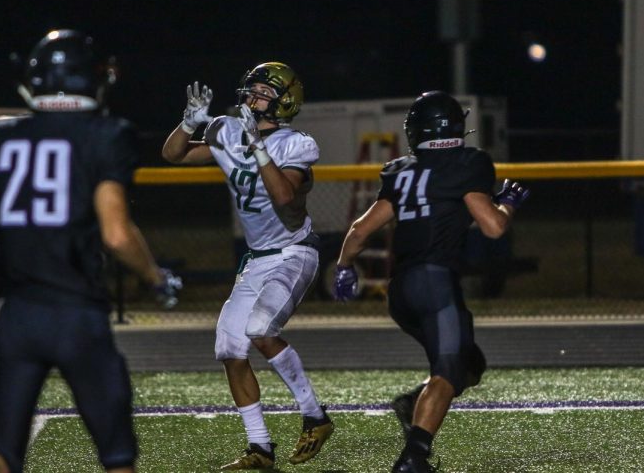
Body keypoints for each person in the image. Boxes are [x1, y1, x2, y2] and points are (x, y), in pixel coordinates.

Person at [0, 29, 180, 473]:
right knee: (118, 458)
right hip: (77, 315)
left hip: (18, 317)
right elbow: (116, 234)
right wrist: (157, 278)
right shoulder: (106, 135)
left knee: (3, 457)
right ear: (93, 79)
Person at [333, 90, 529, 473]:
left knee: (469, 363)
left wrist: (344, 268)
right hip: (436, 283)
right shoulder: (468, 163)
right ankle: (413, 458)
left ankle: (414, 403)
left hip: (401, 290)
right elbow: (493, 227)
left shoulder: (401, 171)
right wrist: (508, 203)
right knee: (450, 372)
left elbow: (359, 230)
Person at [161, 63, 334, 470]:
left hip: (294, 251)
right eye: (250, 90)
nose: (250, 98)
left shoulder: (296, 143)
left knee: (259, 329)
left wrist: (258, 147)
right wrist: (188, 123)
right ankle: (260, 447)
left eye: (261, 92)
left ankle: (315, 415)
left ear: (284, 102)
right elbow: (174, 156)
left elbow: (286, 198)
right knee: (229, 348)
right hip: (257, 258)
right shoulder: (227, 130)